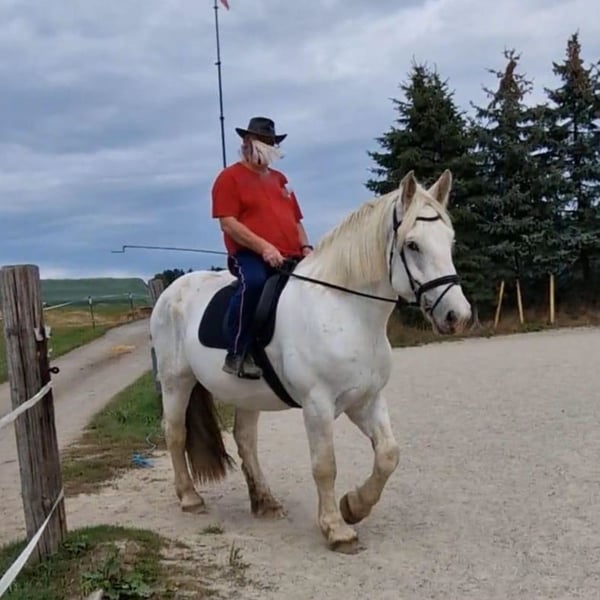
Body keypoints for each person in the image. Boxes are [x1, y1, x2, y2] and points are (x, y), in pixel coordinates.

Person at [211, 116, 313, 379]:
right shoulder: (229, 178)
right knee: (254, 283)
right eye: (263, 142)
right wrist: (265, 247)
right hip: (249, 255)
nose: (269, 148)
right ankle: (237, 352)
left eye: (272, 143)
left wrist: (306, 247)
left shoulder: (281, 179)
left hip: (291, 254)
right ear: (247, 142)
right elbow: (228, 223)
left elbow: (296, 220)